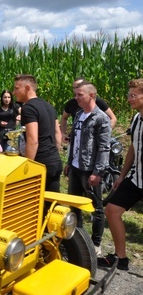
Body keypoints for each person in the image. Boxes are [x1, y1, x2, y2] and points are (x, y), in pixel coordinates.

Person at [98, 79, 143, 271]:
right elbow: (133, 148)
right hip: (137, 178)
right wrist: (122, 175)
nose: (129, 99)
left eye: (133, 95)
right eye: (129, 95)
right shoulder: (136, 119)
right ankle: (121, 258)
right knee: (112, 210)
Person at [64, 81, 111, 257]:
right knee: (74, 205)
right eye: (76, 94)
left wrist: (97, 172)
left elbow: (104, 147)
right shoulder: (78, 115)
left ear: (91, 95)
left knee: (96, 207)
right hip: (76, 167)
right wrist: (69, 162)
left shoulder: (100, 118)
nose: (76, 97)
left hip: (89, 170)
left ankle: (96, 243)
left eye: (80, 95)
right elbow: (75, 141)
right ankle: (76, 241)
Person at [13, 74, 62, 192]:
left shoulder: (28, 108)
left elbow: (33, 141)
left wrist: (28, 166)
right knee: (51, 203)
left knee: (32, 203)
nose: (14, 92)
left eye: (17, 88)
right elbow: (58, 135)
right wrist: (54, 155)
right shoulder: (48, 106)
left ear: (27, 88)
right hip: (55, 161)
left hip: (41, 163)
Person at [60, 77, 117, 143]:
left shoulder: (98, 102)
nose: (76, 89)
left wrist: (103, 134)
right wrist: (63, 133)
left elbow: (113, 118)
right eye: (74, 87)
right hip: (76, 141)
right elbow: (64, 118)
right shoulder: (71, 103)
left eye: (78, 86)